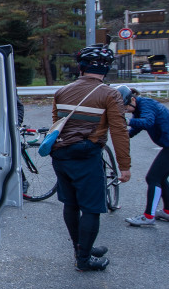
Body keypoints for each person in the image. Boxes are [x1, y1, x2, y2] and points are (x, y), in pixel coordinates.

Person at [50, 46, 131, 271]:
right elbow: (119, 131)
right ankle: (84, 260)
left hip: (60, 154)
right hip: (86, 154)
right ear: (106, 69)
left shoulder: (62, 91)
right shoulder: (109, 94)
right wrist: (124, 166)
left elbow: (57, 124)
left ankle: (80, 248)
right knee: (92, 208)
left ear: (81, 67)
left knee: (71, 204)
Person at [118, 86, 169, 227]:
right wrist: (122, 135)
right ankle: (168, 212)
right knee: (161, 178)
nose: (125, 111)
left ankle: (148, 216)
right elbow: (136, 128)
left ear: (132, 99)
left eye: (125, 108)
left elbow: (148, 122)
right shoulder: (139, 107)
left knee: (153, 178)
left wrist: (125, 121)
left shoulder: (147, 104)